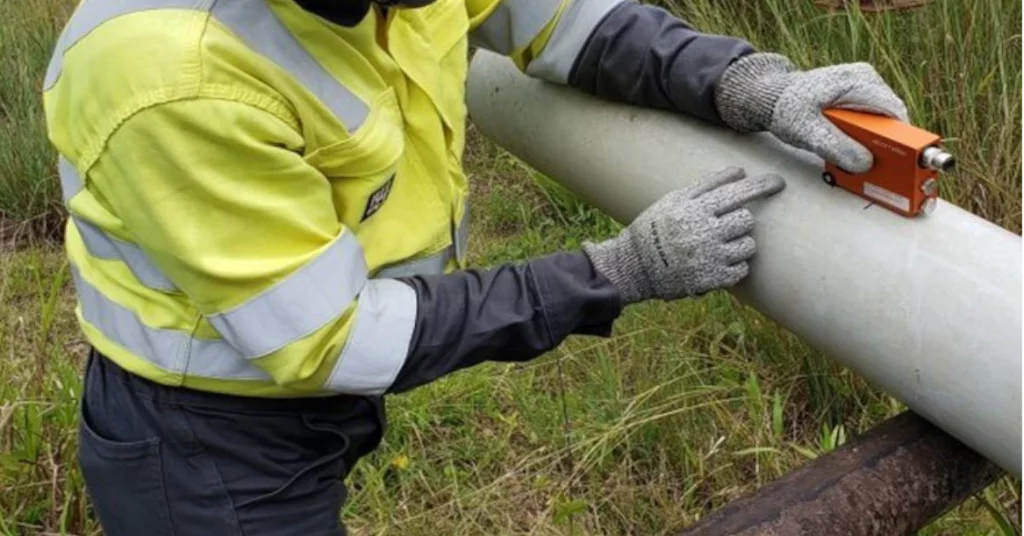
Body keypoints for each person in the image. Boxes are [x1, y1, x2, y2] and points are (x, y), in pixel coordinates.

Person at [42, 0, 907, 533]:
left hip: (305, 390)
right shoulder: (173, 72)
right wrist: (612, 272)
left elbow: (569, 20)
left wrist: (738, 82)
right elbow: (331, 341)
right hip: (207, 434)